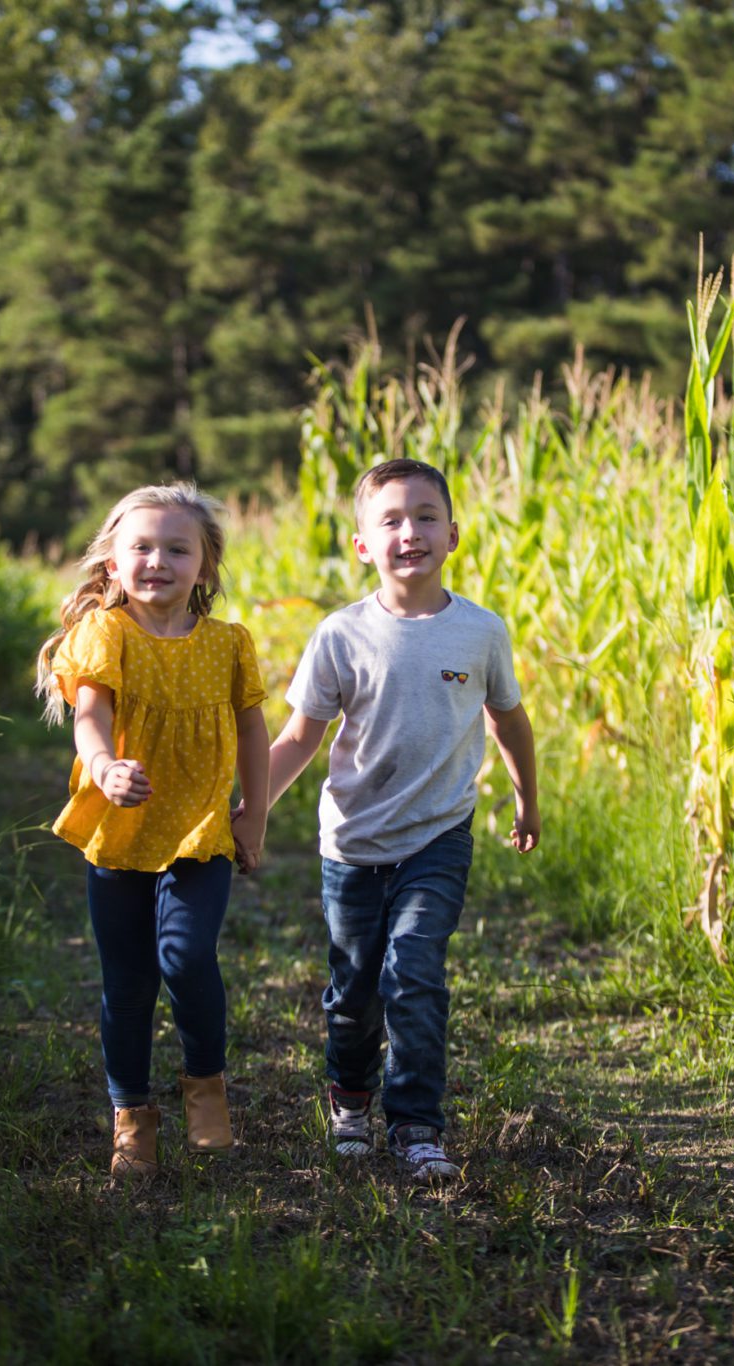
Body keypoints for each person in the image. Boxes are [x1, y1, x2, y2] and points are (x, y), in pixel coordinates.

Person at [266, 458, 539, 1184]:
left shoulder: (480, 632)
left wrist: (526, 799)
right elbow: (299, 737)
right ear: (361, 545)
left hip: (438, 835)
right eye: (389, 520)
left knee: (413, 972)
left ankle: (417, 1124)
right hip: (352, 842)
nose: (409, 532)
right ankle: (349, 1099)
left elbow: (509, 720)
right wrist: (248, 806)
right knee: (356, 988)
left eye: (425, 517)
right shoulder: (340, 634)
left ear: (454, 534)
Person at [36, 483, 271, 1182]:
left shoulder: (230, 643)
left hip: (201, 826)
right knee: (129, 983)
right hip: (123, 828)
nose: (158, 560)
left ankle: (207, 1086)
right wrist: (103, 767)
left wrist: (253, 812)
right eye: (140, 547)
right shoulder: (105, 635)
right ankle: (131, 1118)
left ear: (205, 566)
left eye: (178, 548)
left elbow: (254, 729)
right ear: (112, 565)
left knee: (187, 955)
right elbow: (89, 715)